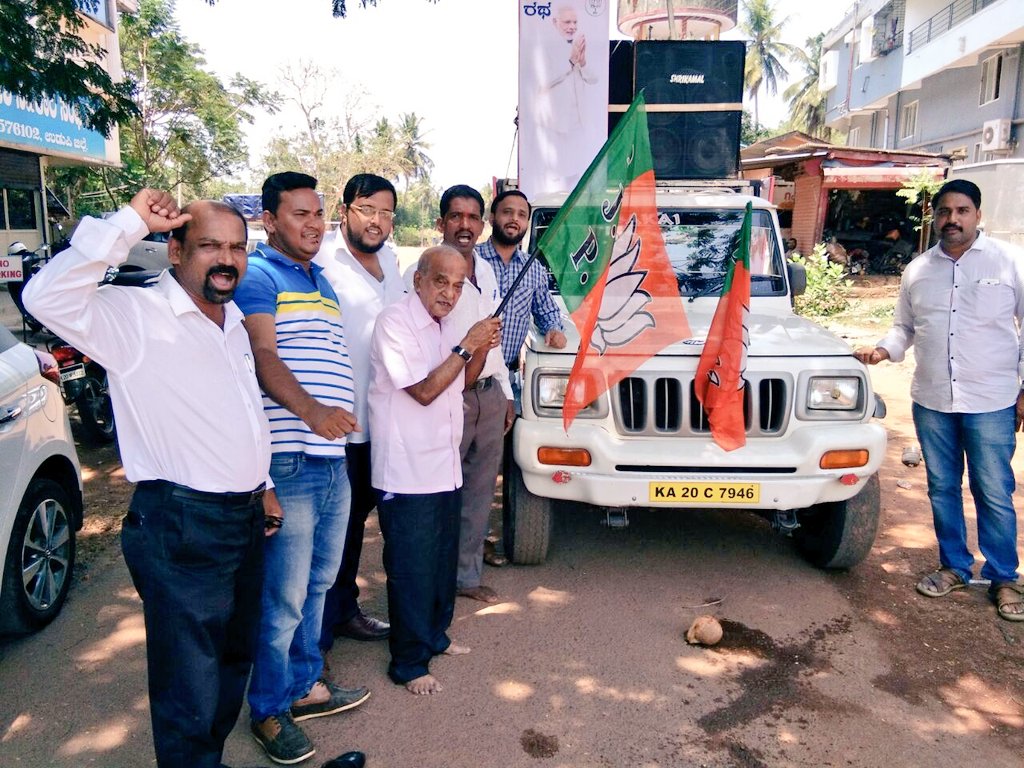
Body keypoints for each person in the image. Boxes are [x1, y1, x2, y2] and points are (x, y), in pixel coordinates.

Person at [22, 190, 279, 768]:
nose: (227, 259)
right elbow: (44, 296)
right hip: (182, 523)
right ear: (174, 248)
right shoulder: (136, 316)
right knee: (189, 686)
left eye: (237, 248)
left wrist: (262, 485)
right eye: (210, 245)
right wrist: (129, 220)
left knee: (232, 663)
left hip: (241, 518)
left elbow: (240, 414)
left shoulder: (231, 319)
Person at [233, 172, 369, 765]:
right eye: (299, 215)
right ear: (270, 221)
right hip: (288, 458)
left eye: (319, 214)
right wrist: (313, 411)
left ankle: (306, 685)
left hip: (331, 460)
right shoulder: (259, 275)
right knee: (283, 596)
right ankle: (267, 710)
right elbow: (262, 356)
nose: (314, 224)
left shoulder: (323, 282)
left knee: (317, 583)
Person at [855, 179, 1024, 622]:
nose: (952, 219)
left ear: (978, 215)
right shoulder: (919, 269)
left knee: (993, 489)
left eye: (962, 211)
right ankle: (954, 567)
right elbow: (904, 328)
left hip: (992, 399)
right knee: (943, 488)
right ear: (936, 216)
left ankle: (1005, 576)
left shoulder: (1008, 262)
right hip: (933, 399)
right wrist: (883, 349)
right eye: (945, 211)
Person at [369, 245, 501, 694]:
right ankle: (408, 662)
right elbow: (424, 391)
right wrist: (469, 344)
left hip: (443, 466)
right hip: (407, 471)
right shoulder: (395, 322)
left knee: (442, 563)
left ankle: (434, 637)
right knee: (412, 568)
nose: (449, 292)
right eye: (441, 281)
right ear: (418, 279)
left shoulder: (445, 327)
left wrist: (480, 350)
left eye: (458, 285)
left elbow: (458, 381)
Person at [316, 174, 404, 649]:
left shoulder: (390, 262)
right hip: (335, 426)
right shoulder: (322, 263)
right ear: (345, 209)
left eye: (387, 212)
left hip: (384, 424)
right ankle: (313, 643)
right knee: (328, 534)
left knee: (355, 527)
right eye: (367, 209)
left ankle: (344, 611)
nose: (377, 220)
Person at [421, 185, 514, 603]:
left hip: (489, 394)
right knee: (442, 491)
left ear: (483, 223)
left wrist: (507, 392)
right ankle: (434, 576)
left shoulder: (488, 270)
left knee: (479, 491)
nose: (465, 225)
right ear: (441, 222)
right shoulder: (427, 273)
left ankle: (467, 577)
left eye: (473, 217)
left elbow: (494, 336)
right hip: (450, 395)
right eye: (455, 216)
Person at [477, 189, 566, 403]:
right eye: (507, 212)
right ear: (491, 218)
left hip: (504, 380)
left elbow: (546, 310)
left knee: (500, 437)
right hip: (463, 376)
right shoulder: (472, 258)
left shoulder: (533, 268)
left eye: (522, 215)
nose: (514, 219)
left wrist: (554, 329)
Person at [535, 3, 599, 190]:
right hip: (556, 124)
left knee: (579, 176)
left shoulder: (580, 44)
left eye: (575, 22)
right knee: (558, 179)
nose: (572, 26)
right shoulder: (544, 46)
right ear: (555, 22)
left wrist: (583, 61)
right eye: (567, 22)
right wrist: (571, 61)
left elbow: (594, 79)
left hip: (579, 121)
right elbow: (543, 81)